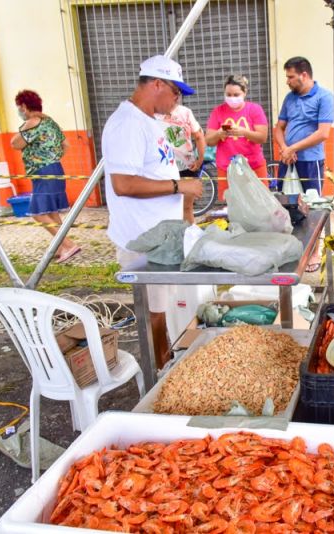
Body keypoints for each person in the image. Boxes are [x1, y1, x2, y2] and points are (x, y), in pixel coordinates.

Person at [101, 55, 204, 370]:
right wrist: (178, 187)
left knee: (162, 308)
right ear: (157, 83)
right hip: (142, 238)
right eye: (175, 91)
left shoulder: (149, 120)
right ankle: (160, 374)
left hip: (160, 236)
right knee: (154, 312)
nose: (178, 100)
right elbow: (123, 183)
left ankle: (166, 363)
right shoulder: (127, 124)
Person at [273, 56, 334, 272]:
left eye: (290, 77)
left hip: (310, 161)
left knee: (312, 206)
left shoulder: (324, 97)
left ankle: (314, 252)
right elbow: (278, 127)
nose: (287, 81)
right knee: (284, 204)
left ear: (304, 75)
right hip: (287, 160)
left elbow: (323, 133)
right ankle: (288, 248)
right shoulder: (290, 98)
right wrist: (284, 149)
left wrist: (293, 148)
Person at [10, 90, 81, 263]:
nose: (20, 111)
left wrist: (41, 159)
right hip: (56, 168)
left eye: (19, 108)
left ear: (24, 106)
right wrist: (51, 158)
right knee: (51, 211)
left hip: (42, 172)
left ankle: (69, 244)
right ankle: (60, 246)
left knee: (38, 212)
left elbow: (15, 144)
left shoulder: (32, 123)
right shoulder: (50, 122)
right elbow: (66, 144)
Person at [205, 74, 268, 201]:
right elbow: (208, 140)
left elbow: (262, 137)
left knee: (260, 203)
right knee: (230, 205)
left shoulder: (255, 109)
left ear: (244, 93)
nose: (232, 98)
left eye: (236, 95)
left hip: (254, 165)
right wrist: (219, 134)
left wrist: (244, 132)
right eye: (228, 95)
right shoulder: (218, 111)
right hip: (226, 168)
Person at [155, 96, 207, 224]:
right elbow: (199, 136)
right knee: (186, 208)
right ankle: (189, 239)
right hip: (183, 167)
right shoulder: (185, 112)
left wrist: (200, 160)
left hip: (166, 168)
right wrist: (200, 160)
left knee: (169, 209)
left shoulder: (152, 114)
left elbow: (199, 136)